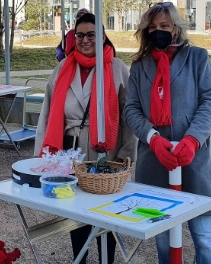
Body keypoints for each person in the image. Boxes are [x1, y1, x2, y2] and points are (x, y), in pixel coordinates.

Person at [124, 2, 211, 264]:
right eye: (153, 27)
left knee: (202, 233)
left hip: (193, 159)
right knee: (164, 236)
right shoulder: (139, 66)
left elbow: (210, 102)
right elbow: (131, 109)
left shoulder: (197, 58)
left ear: (176, 29)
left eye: (164, 26)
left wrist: (193, 139)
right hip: (155, 161)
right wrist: (152, 139)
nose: (158, 31)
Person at [35, 13, 137, 264]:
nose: (85, 40)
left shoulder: (117, 68)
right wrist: (43, 154)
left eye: (91, 34)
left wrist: (126, 155)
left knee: (105, 213)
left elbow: (130, 116)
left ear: (102, 37)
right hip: (69, 152)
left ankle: (106, 260)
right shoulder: (63, 67)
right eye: (79, 35)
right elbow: (47, 111)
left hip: (106, 152)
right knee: (74, 211)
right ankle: (79, 258)